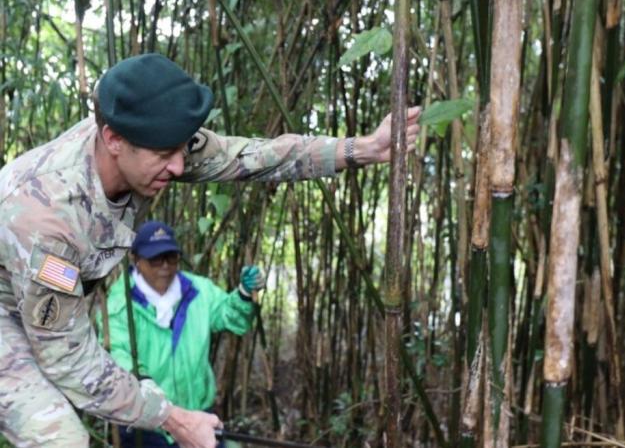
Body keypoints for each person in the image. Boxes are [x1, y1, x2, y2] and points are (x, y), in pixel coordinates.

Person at [0, 52, 420, 448]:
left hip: (47, 307)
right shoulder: (46, 218)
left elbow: (255, 157)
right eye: (166, 155)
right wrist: (175, 419)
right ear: (113, 139)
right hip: (9, 317)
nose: (180, 167)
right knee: (61, 438)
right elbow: (66, 358)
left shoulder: (152, 140)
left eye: (182, 149)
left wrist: (363, 149)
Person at [96, 220, 263, 448]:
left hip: (198, 414)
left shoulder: (199, 290)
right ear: (136, 260)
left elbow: (230, 317)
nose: (165, 266)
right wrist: (148, 394)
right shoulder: (118, 304)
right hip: (145, 424)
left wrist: (243, 294)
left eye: (171, 257)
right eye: (155, 259)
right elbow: (118, 357)